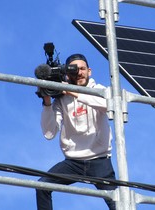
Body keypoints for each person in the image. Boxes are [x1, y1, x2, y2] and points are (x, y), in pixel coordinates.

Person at [37, 53, 116, 210]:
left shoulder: (99, 90)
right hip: (73, 162)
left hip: (100, 160)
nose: (79, 73)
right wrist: (46, 100)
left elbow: (108, 106)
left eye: (82, 69)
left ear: (89, 71)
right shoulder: (61, 99)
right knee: (42, 186)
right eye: (74, 70)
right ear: (67, 74)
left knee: (118, 203)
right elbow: (49, 133)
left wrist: (68, 90)